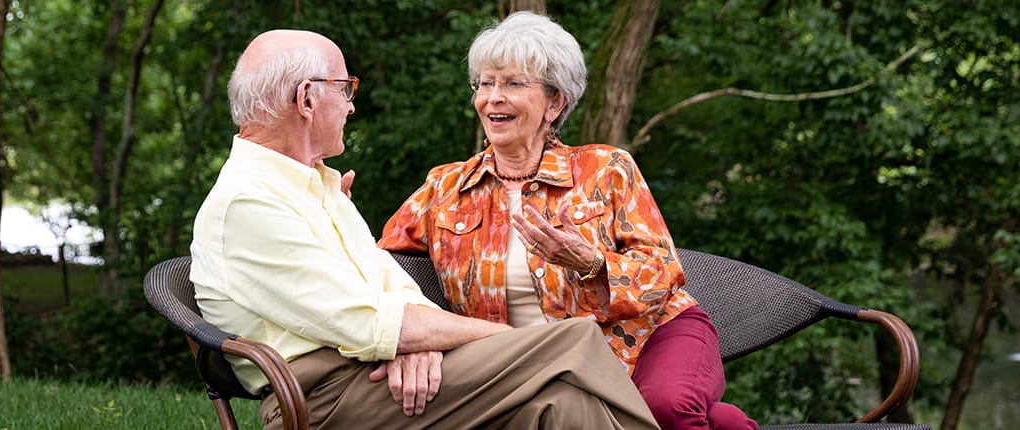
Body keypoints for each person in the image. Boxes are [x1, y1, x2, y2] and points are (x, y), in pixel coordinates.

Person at [190, 29, 659, 429]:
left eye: (512, 84)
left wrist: (420, 343)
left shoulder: (313, 187)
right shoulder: (250, 203)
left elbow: (390, 282)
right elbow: (373, 323)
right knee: (573, 340)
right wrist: (484, 340)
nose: (351, 106)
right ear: (307, 99)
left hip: (366, 369)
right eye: (345, 88)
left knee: (563, 403)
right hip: (323, 395)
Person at [377, 12, 758, 430]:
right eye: (486, 83)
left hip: (651, 337)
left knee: (666, 409)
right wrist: (415, 341)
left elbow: (663, 273)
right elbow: (377, 271)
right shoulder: (444, 188)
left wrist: (591, 264)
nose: (493, 97)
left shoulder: (606, 168)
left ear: (555, 102)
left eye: (513, 84)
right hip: (535, 364)